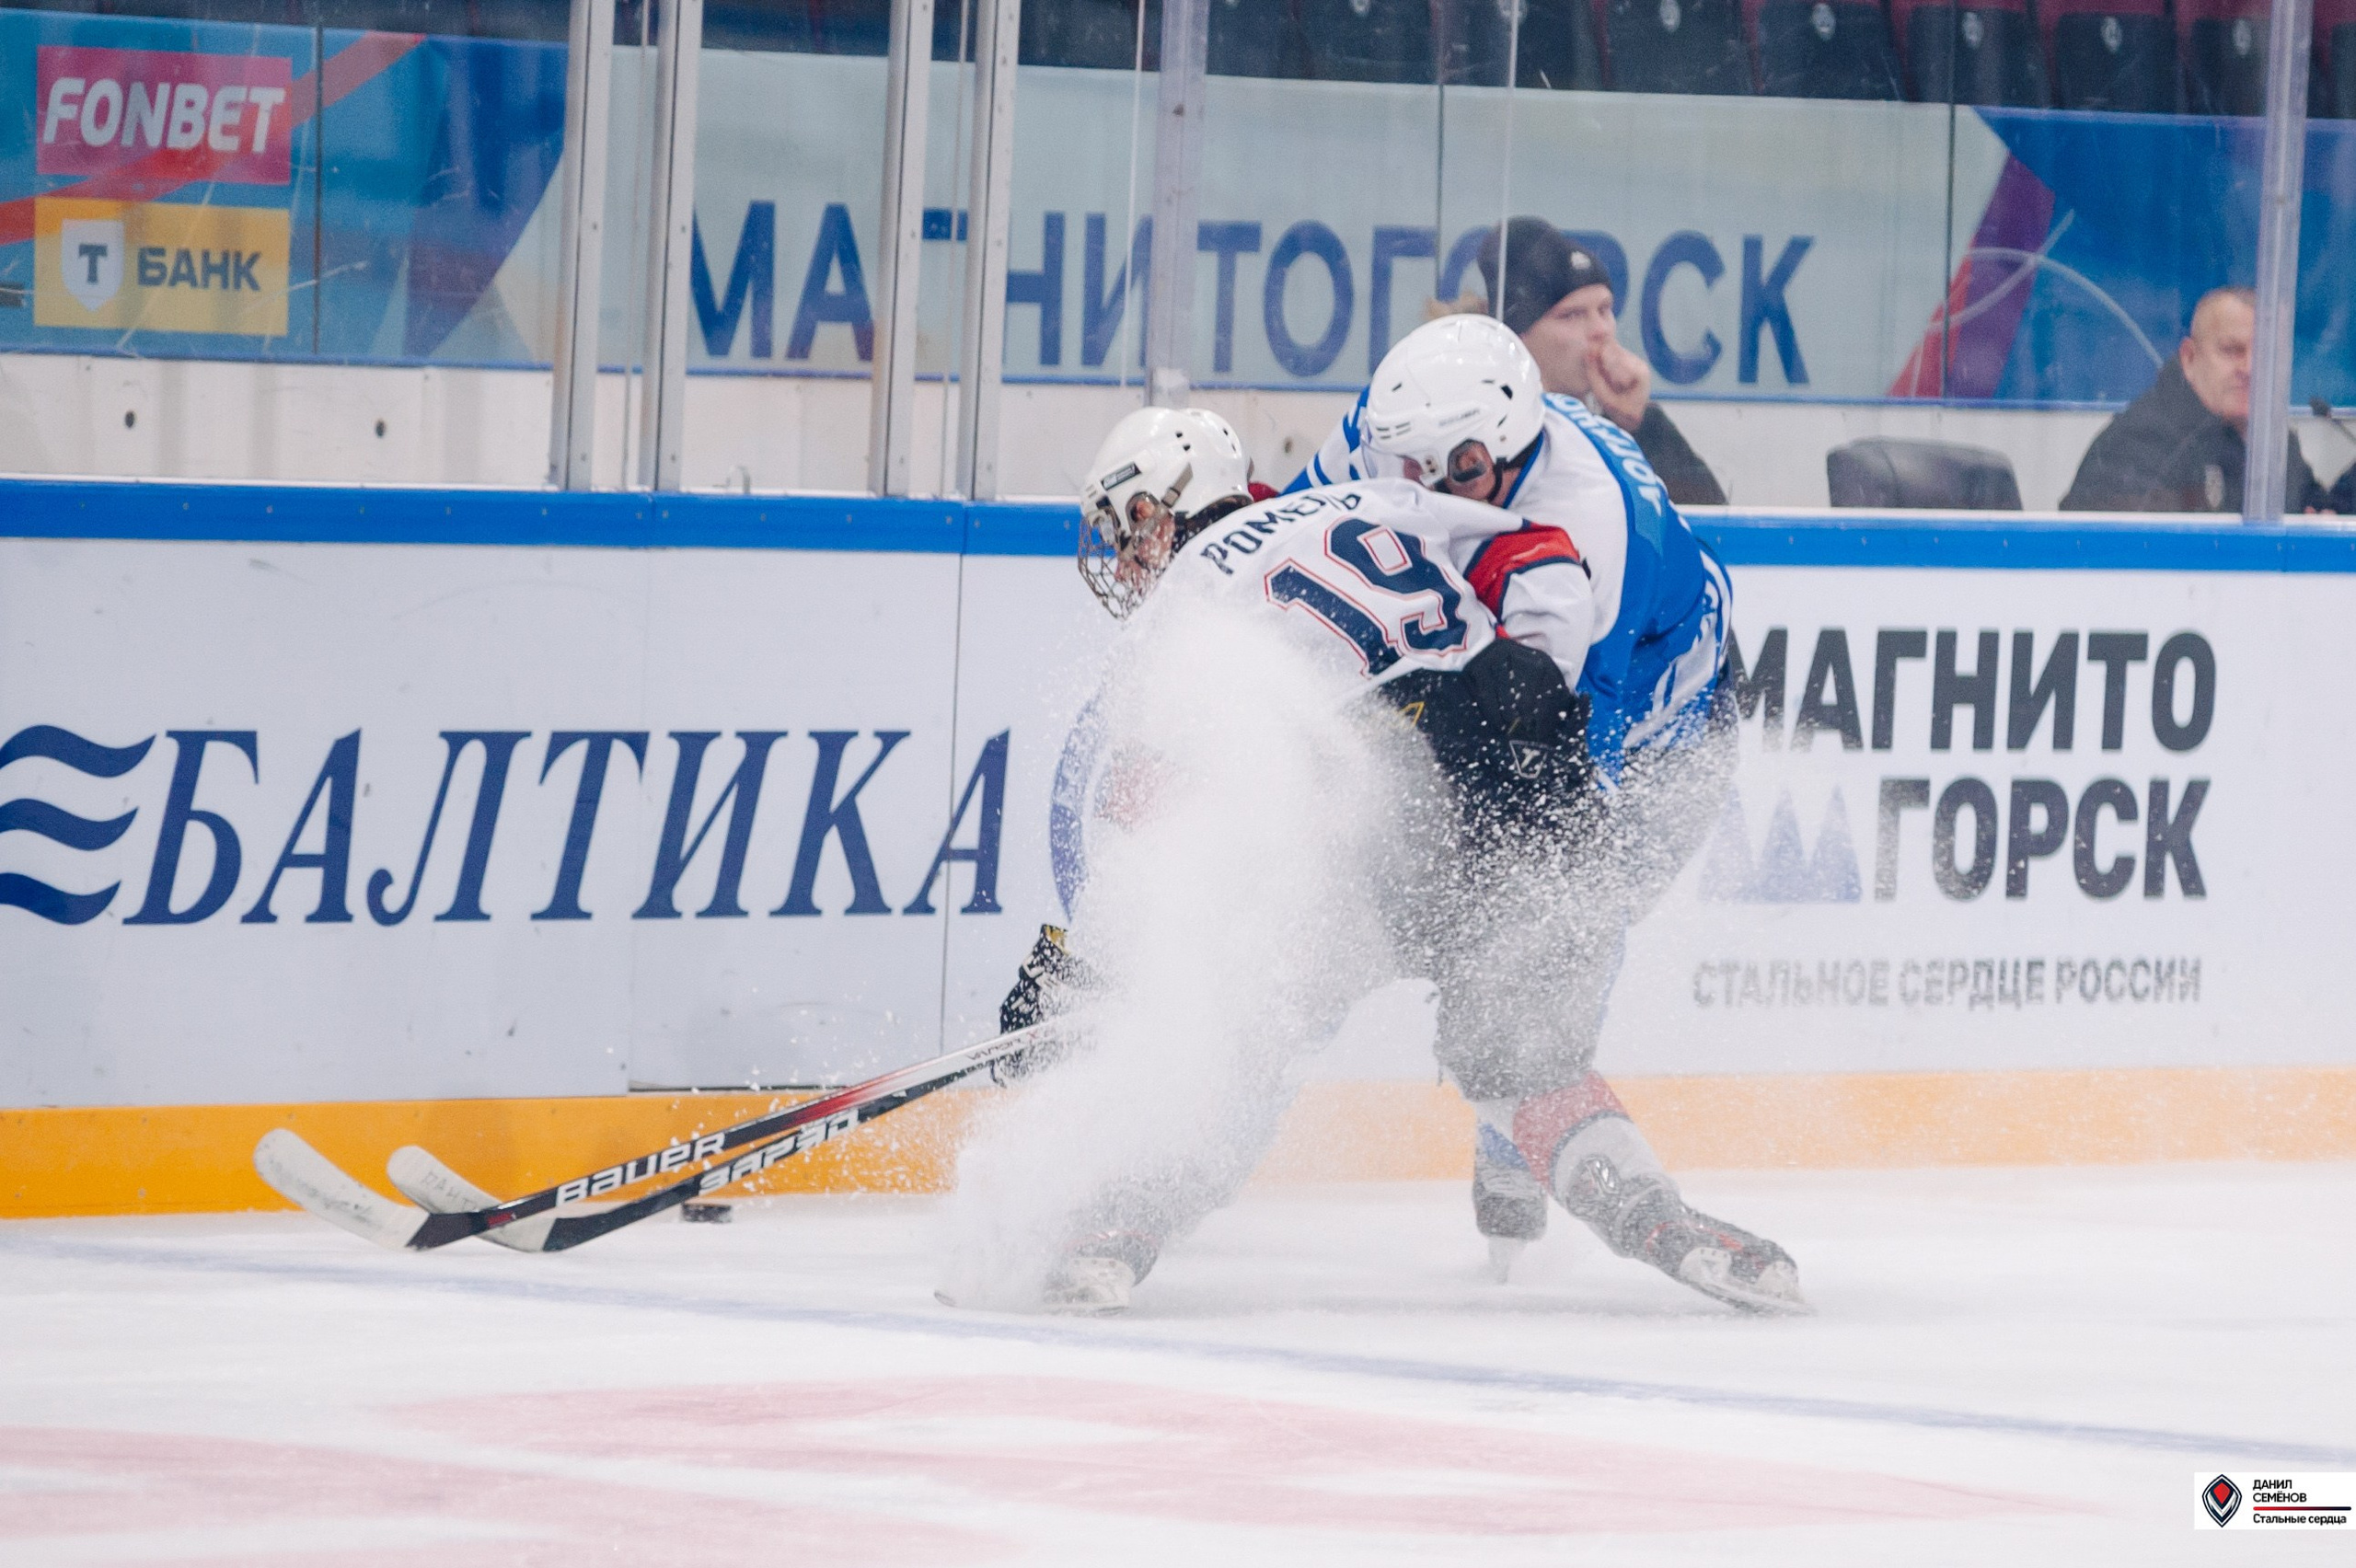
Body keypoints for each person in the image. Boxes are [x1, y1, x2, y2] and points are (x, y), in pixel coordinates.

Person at [993, 324, 1807, 1318]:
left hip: (1603, 747)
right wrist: (1507, 689)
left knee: (1260, 1027)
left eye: (1132, 531)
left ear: (1167, 512)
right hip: (1489, 771)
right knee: (1513, 1050)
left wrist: (1094, 969)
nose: (1126, 563)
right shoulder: (1390, 485)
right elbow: (1519, 588)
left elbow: (1156, 819)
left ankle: (1117, 1227)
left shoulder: (1193, 611)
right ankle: (1650, 1213)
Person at [1312, 217, 1727, 507]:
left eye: (1604, 309)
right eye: (1572, 315)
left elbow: (1712, 525)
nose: (1601, 330)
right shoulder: (1462, 424)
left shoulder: (1620, 424)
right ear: (1516, 336)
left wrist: (1638, 424)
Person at [2062, 286, 2330, 513]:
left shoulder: (2275, 442)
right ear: (2189, 358)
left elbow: (2312, 507)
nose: (2250, 368)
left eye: (2266, 354)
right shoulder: (2137, 444)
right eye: (2231, 350)